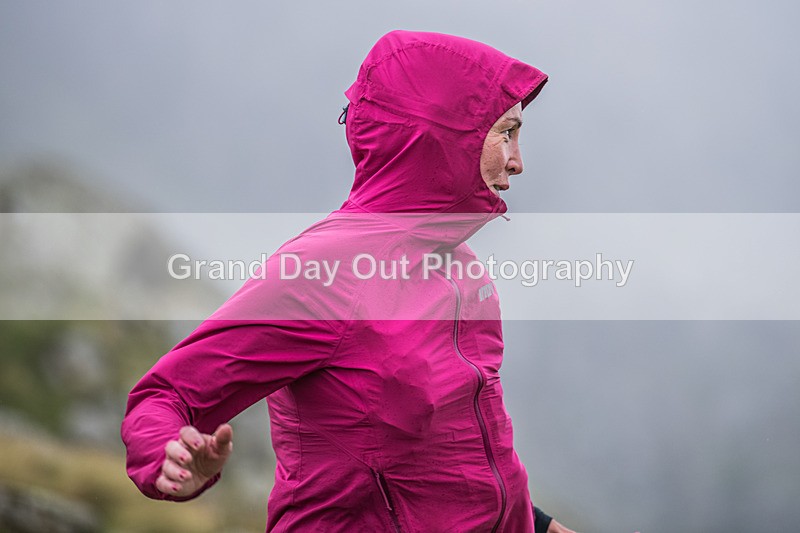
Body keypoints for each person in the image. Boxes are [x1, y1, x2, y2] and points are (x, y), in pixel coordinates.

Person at [122, 30, 577, 532]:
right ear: (443, 135)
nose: (518, 161)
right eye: (506, 133)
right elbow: (166, 394)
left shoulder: (461, 263)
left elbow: (456, 455)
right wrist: (169, 458)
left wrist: (539, 525)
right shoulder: (324, 273)